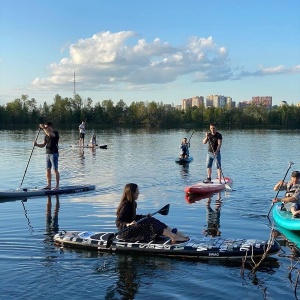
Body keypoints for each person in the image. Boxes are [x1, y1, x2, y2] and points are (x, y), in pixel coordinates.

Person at [116, 183, 189, 243]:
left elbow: (132, 217)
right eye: (137, 191)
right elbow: (118, 222)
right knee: (150, 222)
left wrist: (144, 216)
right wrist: (128, 224)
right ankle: (173, 236)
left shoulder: (133, 203)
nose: (139, 193)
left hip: (132, 229)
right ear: (132, 193)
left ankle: (174, 232)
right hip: (126, 233)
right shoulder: (125, 205)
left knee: (151, 219)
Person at [34, 122, 60, 189]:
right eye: (45, 127)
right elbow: (43, 145)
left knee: (55, 169)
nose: (45, 129)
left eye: (46, 127)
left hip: (54, 153)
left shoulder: (55, 133)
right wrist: (36, 145)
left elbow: (51, 134)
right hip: (47, 154)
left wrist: (43, 128)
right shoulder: (46, 136)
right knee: (48, 169)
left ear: (50, 126)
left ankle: (57, 186)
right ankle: (49, 185)